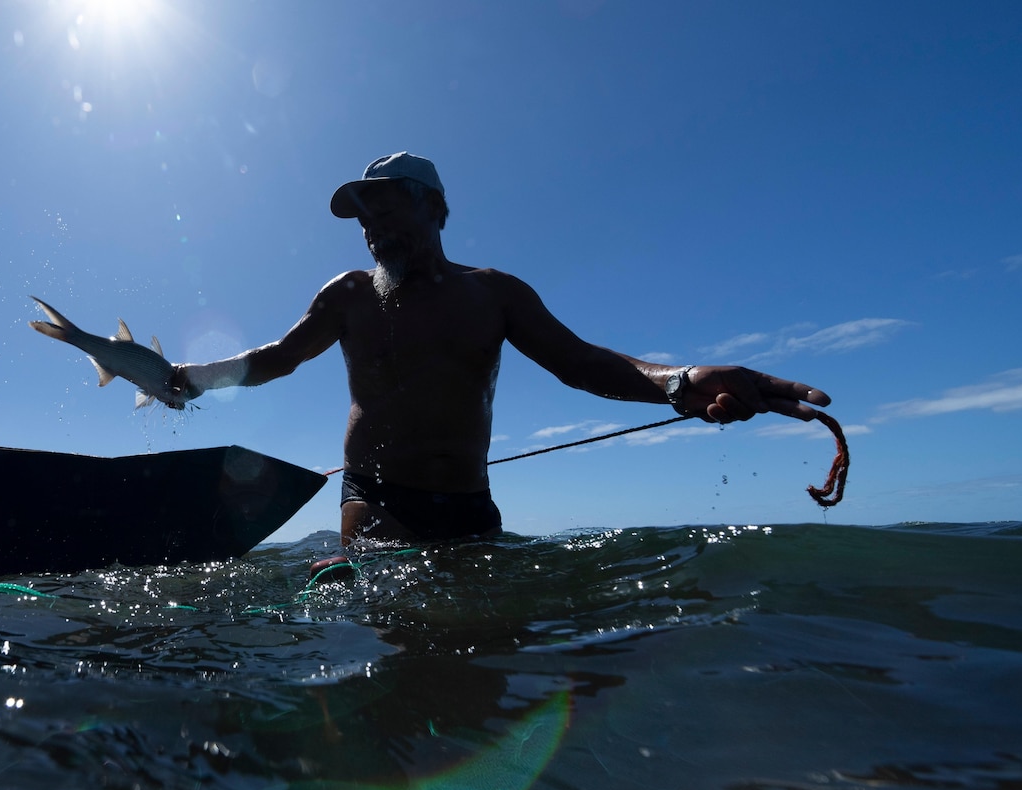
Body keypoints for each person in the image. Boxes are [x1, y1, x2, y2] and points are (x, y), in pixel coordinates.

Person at [170, 152, 832, 547]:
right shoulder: (347, 295)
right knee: (389, 624)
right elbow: (279, 357)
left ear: (433, 207)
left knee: (481, 662)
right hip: (374, 495)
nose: (372, 228)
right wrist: (190, 379)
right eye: (364, 218)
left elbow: (581, 363)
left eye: (386, 209)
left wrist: (678, 381)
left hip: (469, 502)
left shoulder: (494, 294)